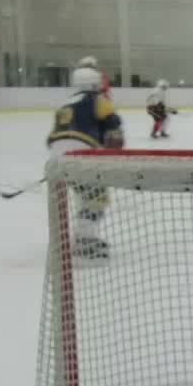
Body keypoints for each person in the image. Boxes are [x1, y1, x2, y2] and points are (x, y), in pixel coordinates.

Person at [45, 65, 125, 257]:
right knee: (97, 197)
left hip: (57, 157)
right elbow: (112, 122)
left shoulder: (66, 103)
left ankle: (84, 234)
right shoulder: (96, 99)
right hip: (81, 153)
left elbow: (53, 137)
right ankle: (84, 239)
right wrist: (113, 143)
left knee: (85, 194)